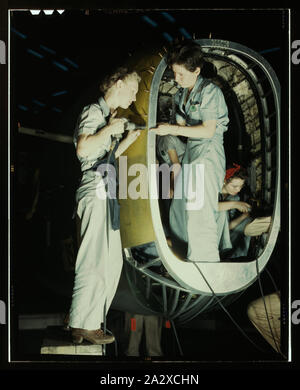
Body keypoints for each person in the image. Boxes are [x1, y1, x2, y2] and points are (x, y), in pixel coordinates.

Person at [69, 67, 141, 345]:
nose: (134, 98)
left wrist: (124, 142)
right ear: (120, 83)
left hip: (106, 187)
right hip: (95, 186)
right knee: (94, 259)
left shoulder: (106, 116)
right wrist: (111, 129)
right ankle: (81, 323)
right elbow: (84, 150)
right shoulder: (93, 112)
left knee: (112, 262)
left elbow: (105, 154)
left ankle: (91, 321)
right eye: (133, 90)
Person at [151, 40, 229, 262]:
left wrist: (172, 128)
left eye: (181, 74)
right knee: (180, 209)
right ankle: (184, 254)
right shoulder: (181, 95)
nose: (176, 79)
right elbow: (184, 127)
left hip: (208, 153)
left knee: (199, 214)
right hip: (193, 155)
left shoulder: (210, 92)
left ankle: (205, 265)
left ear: (196, 70)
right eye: (174, 73)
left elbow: (207, 131)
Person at [217, 163, 271, 259]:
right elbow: (210, 208)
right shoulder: (214, 192)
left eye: (241, 186)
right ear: (224, 181)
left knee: (252, 223)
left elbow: (229, 226)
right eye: (234, 186)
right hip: (216, 241)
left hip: (230, 238)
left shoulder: (235, 197)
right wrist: (235, 206)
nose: (238, 189)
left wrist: (245, 214)